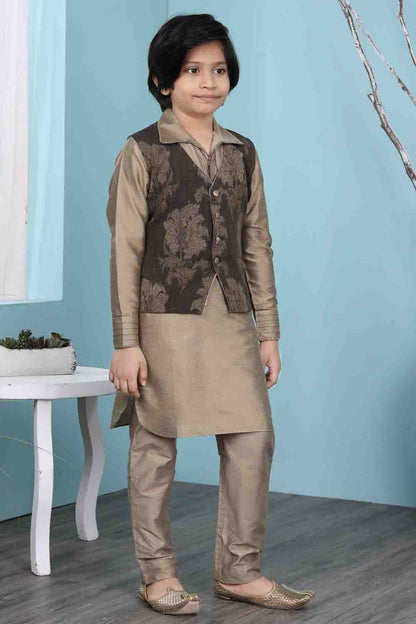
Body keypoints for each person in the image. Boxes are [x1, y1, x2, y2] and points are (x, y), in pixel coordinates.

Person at [106, 12, 315, 616]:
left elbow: (257, 244)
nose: (208, 82)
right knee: (155, 444)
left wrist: (269, 332)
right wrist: (126, 341)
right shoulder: (142, 150)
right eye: (193, 70)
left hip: (232, 319)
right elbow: (125, 249)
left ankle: (239, 571)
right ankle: (158, 575)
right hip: (161, 320)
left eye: (218, 70)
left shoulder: (242, 152)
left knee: (253, 438)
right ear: (163, 80)